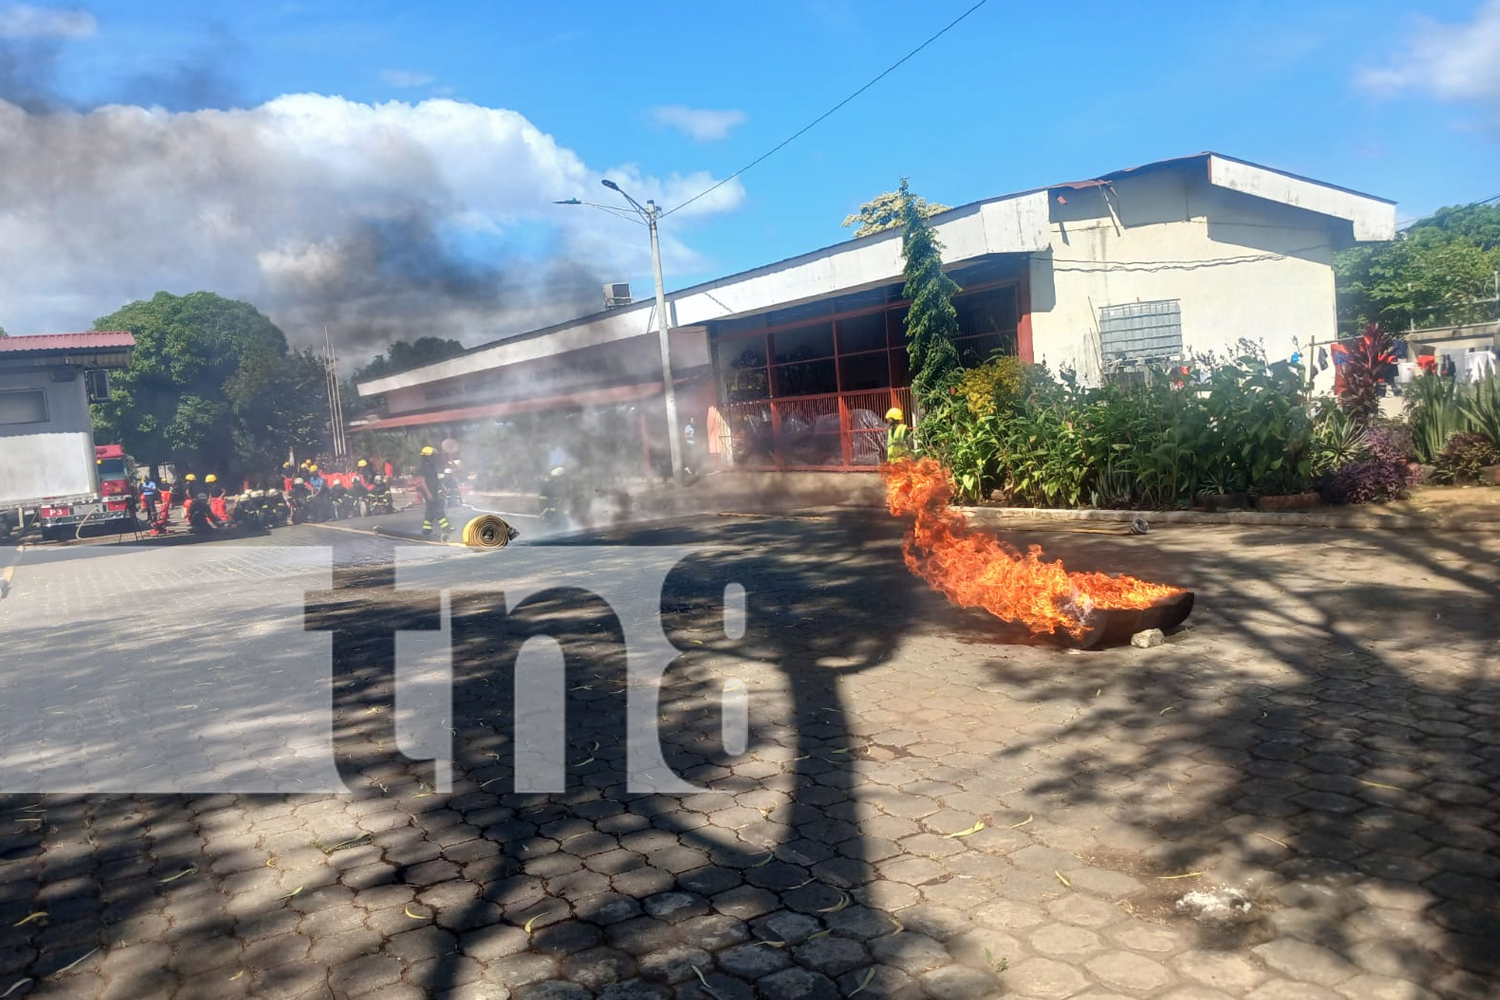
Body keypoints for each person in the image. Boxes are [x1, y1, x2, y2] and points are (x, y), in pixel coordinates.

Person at [415, 445, 452, 541]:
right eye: (432, 456)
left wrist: (443, 487)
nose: (433, 458)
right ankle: (446, 529)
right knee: (438, 508)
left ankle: (426, 530)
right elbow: (422, 482)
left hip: (434, 491)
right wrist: (428, 494)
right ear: (427, 456)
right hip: (429, 492)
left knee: (430, 510)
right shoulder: (422, 467)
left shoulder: (431, 466)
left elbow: (436, 479)